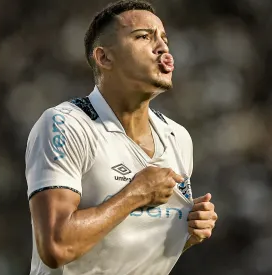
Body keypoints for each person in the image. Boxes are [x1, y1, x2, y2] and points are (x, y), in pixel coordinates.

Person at [25, 1, 218, 274]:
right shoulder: (65, 125)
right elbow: (56, 248)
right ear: (104, 58)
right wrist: (135, 194)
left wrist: (186, 233)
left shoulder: (179, 138)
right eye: (143, 36)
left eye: (164, 39)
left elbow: (126, 247)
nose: (162, 48)